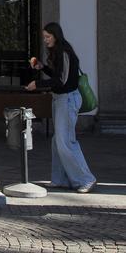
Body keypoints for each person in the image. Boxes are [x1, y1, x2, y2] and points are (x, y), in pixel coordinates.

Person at [26, 21, 96, 193]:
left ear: (56, 36)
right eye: (44, 37)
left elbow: (61, 81)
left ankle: (86, 178)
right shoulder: (59, 52)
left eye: (48, 37)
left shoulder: (64, 51)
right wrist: (43, 67)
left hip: (67, 99)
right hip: (61, 99)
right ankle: (61, 179)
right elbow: (59, 76)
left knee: (65, 142)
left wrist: (38, 83)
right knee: (58, 141)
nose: (45, 40)